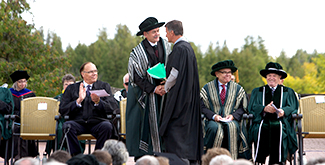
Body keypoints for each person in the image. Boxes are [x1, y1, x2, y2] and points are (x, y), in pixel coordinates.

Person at [126, 17, 171, 159]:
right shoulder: (136, 52)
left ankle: (163, 155)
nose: (157, 34)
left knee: (165, 122)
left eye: (158, 31)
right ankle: (145, 157)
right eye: (153, 32)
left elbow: (171, 66)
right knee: (143, 127)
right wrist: (153, 89)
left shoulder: (166, 45)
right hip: (144, 95)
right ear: (145, 34)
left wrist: (165, 85)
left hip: (164, 93)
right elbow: (136, 77)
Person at [159, 20, 203, 164]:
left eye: (166, 32)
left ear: (172, 32)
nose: (165, 35)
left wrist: (165, 88)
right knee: (186, 134)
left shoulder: (179, 48)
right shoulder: (188, 48)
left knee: (174, 132)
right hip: (189, 97)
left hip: (179, 99)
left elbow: (174, 74)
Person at [59, 62, 119, 156]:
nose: (94, 73)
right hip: (78, 123)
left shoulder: (104, 86)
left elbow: (113, 108)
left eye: (95, 71)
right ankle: (77, 157)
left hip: (97, 122)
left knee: (107, 126)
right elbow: (62, 109)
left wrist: (98, 102)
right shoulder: (72, 88)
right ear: (83, 74)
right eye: (91, 72)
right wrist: (78, 101)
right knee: (67, 126)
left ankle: (98, 158)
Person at [248, 62, 299, 164]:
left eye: (274, 76)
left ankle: (277, 162)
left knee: (279, 129)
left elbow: (292, 107)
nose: (271, 78)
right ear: (265, 77)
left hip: (281, 123)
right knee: (260, 129)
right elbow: (251, 107)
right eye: (269, 75)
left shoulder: (288, 91)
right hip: (261, 122)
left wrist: (283, 111)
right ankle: (260, 161)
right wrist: (264, 108)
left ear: (280, 77)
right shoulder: (257, 91)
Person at [200, 60, 250, 159]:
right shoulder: (207, 88)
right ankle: (211, 159)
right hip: (212, 120)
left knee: (232, 128)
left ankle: (232, 159)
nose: (228, 75)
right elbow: (202, 107)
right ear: (217, 74)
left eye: (229, 72)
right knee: (215, 128)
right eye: (224, 72)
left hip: (231, 120)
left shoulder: (238, 89)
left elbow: (242, 108)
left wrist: (233, 116)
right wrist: (214, 116)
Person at [46, 74, 78, 155]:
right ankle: (59, 153)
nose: (68, 86)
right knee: (59, 128)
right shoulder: (57, 98)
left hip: (74, 120)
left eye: (70, 85)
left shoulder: (78, 97)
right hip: (60, 119)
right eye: (66, 84)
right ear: (63, 85)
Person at [9, 70, 38, 159]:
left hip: (27, 121)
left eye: (24, 81)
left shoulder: (30, 94)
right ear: (15, 82)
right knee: (16, 129)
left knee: (25, 128)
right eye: (20, 81)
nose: (22, 84)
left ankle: (25, 157)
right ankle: (17, 157)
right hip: (13, 120)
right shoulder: (9, 93)